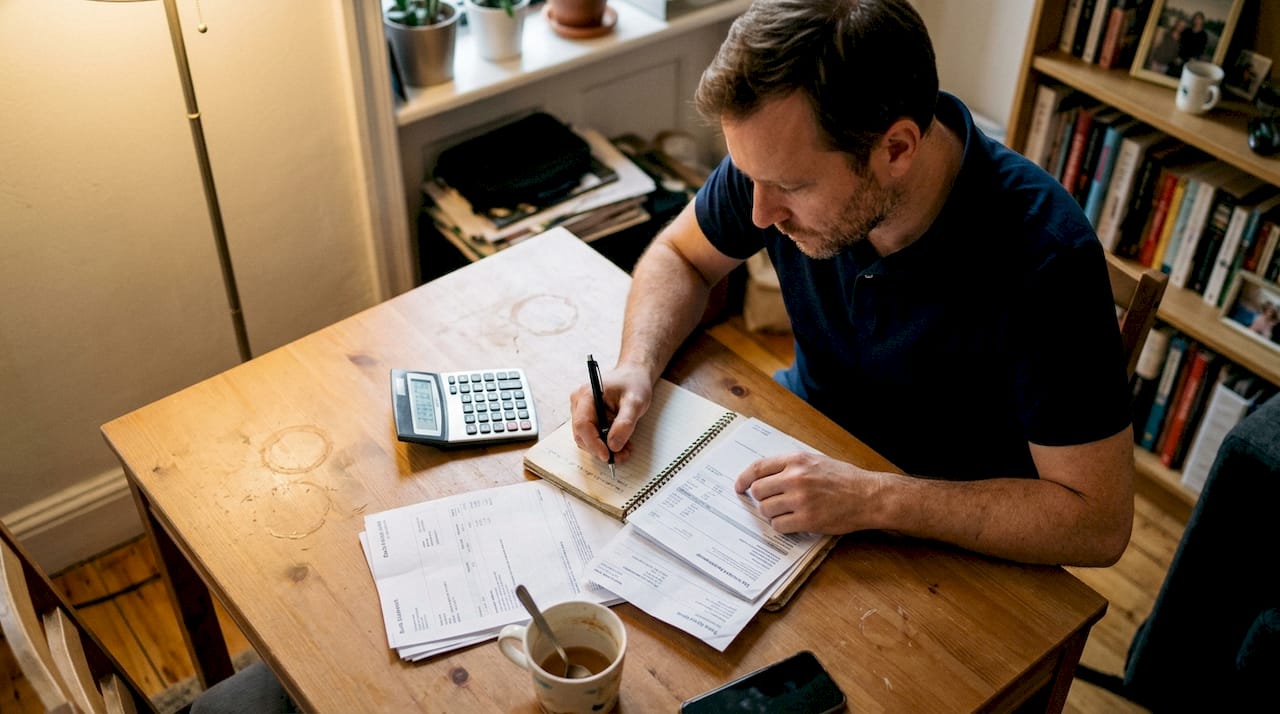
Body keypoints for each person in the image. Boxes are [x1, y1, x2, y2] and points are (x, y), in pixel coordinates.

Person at [569, 0, 1134, 568]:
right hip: (804, 446)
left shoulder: (1047, 258)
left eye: (789, 186)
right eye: (750, 179)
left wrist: (871, 496)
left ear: (896, 149)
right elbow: (680, 256)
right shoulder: (777, 157)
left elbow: (1096, 522)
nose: (761, 213)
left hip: (955, 538)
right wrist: (637, 363)